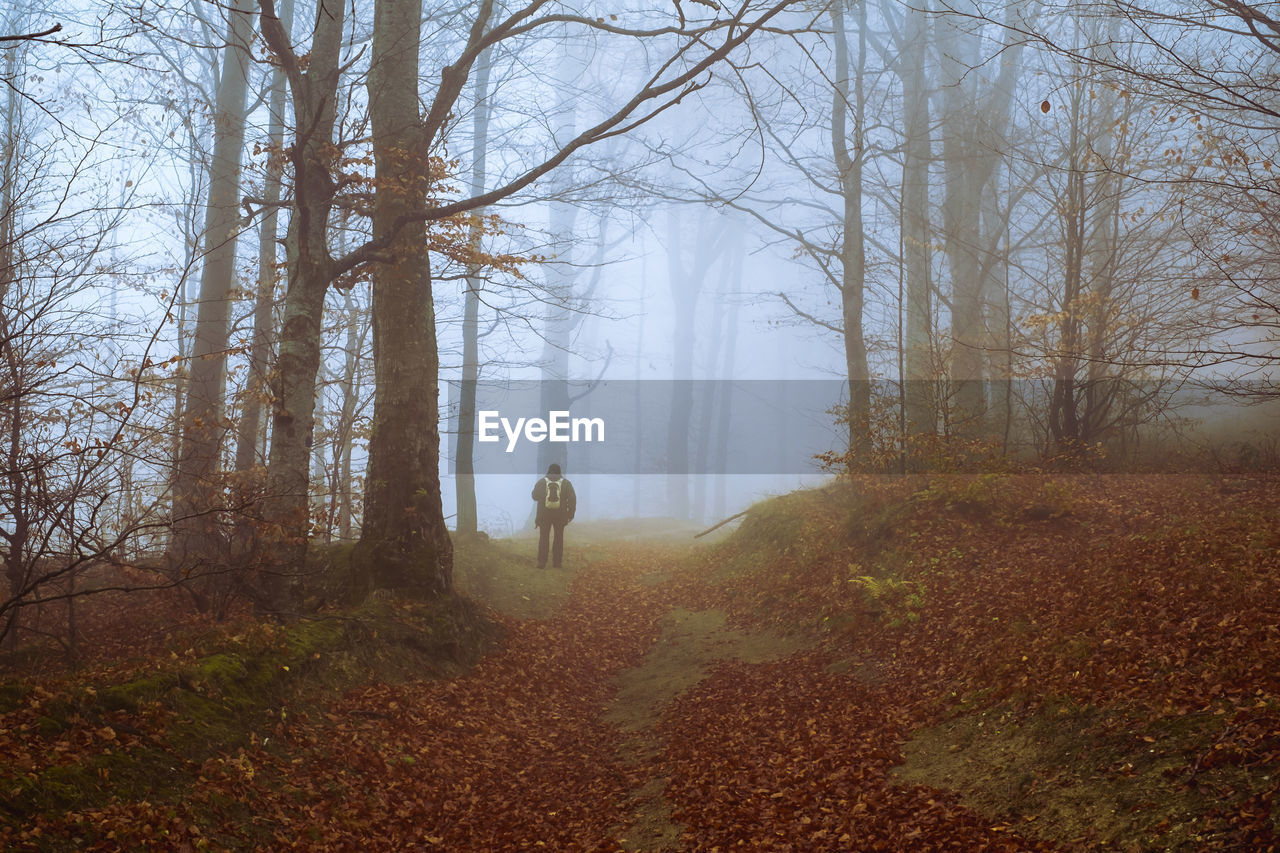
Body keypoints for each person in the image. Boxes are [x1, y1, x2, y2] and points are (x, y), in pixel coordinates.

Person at [531, 463, 576, 569]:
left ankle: (542, 562)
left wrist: (543, 498)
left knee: (544, 538)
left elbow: (534, 496)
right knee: (558, 538)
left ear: (549, 471)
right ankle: (557, 563)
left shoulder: (542, 482)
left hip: (544, 515)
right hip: (560, 515)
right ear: (560, 472)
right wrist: (571, 514)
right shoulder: (566, 483)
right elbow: (572, 499)